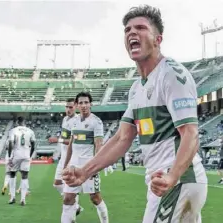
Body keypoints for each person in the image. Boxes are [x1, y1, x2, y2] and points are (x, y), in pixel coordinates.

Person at [62, 5, 207, 223]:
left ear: (158, 39)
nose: (132, 33)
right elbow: (122, 138)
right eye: (127, 29)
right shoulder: (136, 89)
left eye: (140, 28)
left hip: (177, 182)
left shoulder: (171, 75)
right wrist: (84, 171)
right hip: (164, 182)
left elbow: (191, 134)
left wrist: (172, 176)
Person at [61, 92, 109, 223]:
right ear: (76, 105)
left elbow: (99, 145)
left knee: (95, 198)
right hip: (73, 166)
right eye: (81, 103)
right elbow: (71, 145)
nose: (84, 105)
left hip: (88, 166)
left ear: (90, 104)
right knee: (68, 198)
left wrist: (95, 168)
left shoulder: (96, 122)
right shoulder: (74, 121)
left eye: (86, 102)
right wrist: (65, 165)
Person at [48, 98, 83, 214]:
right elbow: (65, 138)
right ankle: (76, 205)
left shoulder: (78, 121)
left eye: (71, 107)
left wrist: (58, 140)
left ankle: (73, 211)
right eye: (67, 107)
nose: (68, 109)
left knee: (70, 186)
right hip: (63, 157)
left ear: (76, 107)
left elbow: (75, 141)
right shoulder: (65, 119)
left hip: (72, 158)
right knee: (57, 184)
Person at [8, 116, 35, 206]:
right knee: (25, 176)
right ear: (25, 122)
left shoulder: (13, 130)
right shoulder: (30, 131)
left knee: (12, 174)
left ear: (17, 122)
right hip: (26, 155)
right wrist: (30, 155)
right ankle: (23, 199)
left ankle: (12, 197)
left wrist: (9, 156)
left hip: (16, 154)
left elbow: (11, 143)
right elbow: (33, 144)